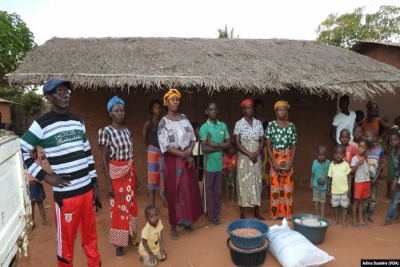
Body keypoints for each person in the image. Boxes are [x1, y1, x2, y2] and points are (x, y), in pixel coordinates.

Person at [20, 78, 102, 266]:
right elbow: (22, 150)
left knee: (90, 238)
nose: (65, 95)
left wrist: (95, 186)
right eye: (60, 92)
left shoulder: (77, 121)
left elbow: (88, 155)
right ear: (49, 97)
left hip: (87, 192)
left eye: (67, 92)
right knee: (66, 244)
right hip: (66, 198)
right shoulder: (41, 124)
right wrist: (45, 176)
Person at [157, 89, 203, 240]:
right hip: (173, 161)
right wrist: (181, 154)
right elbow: (165, 146)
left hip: (187, 159)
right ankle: (173, 226)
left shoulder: (184, 118)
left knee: (188, 191)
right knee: (174, 193)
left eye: (177, 100)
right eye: (172, 100)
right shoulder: (163, 122)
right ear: (167, 103)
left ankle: (187, 222)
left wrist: (189, 150)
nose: (175, 102)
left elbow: (192, 136)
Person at [98, 95, 140, 258]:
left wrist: (136, 178)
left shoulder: (127, 131)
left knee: (130, 206)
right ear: (110, 113)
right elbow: (104, 159)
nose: (120, 113)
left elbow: (131, 156)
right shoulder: (105, 131)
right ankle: (118, 244)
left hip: (129, 172)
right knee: (118, 209)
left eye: (122, 110)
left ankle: (130, 237)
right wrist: (108, 184)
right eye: (116, 111)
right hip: (116, 174)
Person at [199, 102, 231, 226]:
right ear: (206, 112)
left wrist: (216, 144)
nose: (213, 111)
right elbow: (205, 148)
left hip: (219, 166)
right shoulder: (204, 128)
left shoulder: (222, 126)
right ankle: (210, 212)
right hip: (208, 166)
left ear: (217, 111)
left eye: (215, 109)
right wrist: (220, 148)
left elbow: (229, 144)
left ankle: (216, 215)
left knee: (218, 192)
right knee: (209, 191)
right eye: (210, 109)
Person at [266, 100, 297, 220]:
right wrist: (273, 163)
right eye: (279, 110)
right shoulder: (271, 125)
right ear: (276, 112)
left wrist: (290, 163)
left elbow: (294, 146)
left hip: (288, 159)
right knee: (275, 188)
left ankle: (286, 213)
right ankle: (275, 214)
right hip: (275, 158)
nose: (282, 112)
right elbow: (268, 145)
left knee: (287, 187)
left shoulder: (292, 126)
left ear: (287, 111)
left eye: (284, 109)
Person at [234, 99, 264, 220]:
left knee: (257, 181)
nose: (250, 110)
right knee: (243, 183)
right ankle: (242, 213)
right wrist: (249, 154)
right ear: (243, 110)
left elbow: (262, 140)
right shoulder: (238, 124)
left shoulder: (258, 123)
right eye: (247, 108)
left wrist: (256, 153)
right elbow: (237, 143)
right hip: (244, 157)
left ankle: (257, 211)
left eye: (251, 107)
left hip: (256, 157)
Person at [143, 99, 167, 207]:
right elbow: (145, 139)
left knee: (163, 175)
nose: (158, 110)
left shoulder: (163, 123)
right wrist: (153, 147)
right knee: (152, 177)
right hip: (153, 152)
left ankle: (164, 199)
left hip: (162, 152)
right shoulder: (148, 123)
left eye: (159, 107)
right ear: (151, 110)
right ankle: (152, 204)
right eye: (155, 108)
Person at [327, 145, 351, 229]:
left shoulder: (346, 165)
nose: (338, 155)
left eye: (340, 154)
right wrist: (328, 188)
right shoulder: (332, 164)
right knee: (335, 206)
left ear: (344, 155)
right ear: (334, 154)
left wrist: (349, 189)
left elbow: (349, 178)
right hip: (334, 190)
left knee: (344, 206)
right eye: (336, 153)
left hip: (344, 190)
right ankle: (336, 219)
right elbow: (329, 177)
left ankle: (344, 221)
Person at [350, 139, 373, 228]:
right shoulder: (355, 158)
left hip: (366, 182)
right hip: (359, 182)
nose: (360, 149)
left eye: (362, 147)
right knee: (356, 201)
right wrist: (358, 164)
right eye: (359, 146)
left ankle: (361, 219)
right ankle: (354, 219)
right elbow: (351, 171)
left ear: (366, 149)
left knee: (362, 202)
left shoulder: (366, 158)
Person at [27, 146, 52, 229]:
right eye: (32, 152)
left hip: (38, 184)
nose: (34, 154)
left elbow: (46, 155)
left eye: (35, 152)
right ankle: (32, 222)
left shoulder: (39, 159)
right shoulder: (26, 162)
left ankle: (44, 221)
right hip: (31, 186)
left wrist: (45, 150)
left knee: (40, 203)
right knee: (32, 205)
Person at [364, 129, 384, 224]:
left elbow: (380, 165)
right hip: (364, 179)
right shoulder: (364, 149)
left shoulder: (380, 151)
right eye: (365, 136)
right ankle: (363, 214)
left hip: (374, 179)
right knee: (364, 198)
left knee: (372, 198)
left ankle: (370, 215)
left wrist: (376, 177)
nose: (366, 138)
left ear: (374, 138)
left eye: (368, 136)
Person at [381, 132, 400, 226]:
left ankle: (388, 218)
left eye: (395, 140)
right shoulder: (393, 152)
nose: (393, 142)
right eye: (391, 140)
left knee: (395, 198)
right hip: (397, 177)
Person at [254, 99, 270, 188]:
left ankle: (265, 185)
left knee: (265, 168)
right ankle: (256, 187)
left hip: (264, 148)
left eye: (261, 108)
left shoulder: (266, 122)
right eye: (257, 108)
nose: (259, 110)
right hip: (255, 148)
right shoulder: (252, 121)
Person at [310, 146, 330, 217]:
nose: (321, 157)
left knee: (322, 202)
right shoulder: (315, 162)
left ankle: (322, 215)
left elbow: (329, 176)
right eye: (319, 155)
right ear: (317, 155)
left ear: (326, 155)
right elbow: (312, 173)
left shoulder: (328, 163)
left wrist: (328, 188)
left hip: (324, 188)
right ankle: (317, 214)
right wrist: (311, 183)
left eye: (323, 155)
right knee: (316, 201)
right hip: (315, 186)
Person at [386, 116, 400, 199]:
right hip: (393, 153)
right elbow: (389, 139)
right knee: (391, 172)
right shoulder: (394, 129)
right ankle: (389, 192)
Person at [191, 122, 204, 193]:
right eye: (199, 130)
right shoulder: (191, 140)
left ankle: (199, 191)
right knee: (194, 174)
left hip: (200, 157)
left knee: (200, 176)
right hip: (194, 158)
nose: (200, 131)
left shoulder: (201, 139)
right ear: (194, 130)